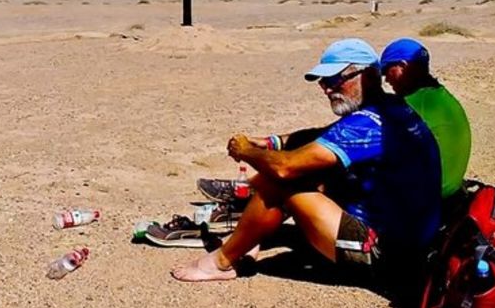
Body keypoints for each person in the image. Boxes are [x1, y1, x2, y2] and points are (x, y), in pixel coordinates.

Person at [172, 38, 442, 283]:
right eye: (323, 83)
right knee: (312, 167)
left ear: (369, 75)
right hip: (412, 245)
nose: (327, 90)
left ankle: (221, 262)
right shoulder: (391, 108)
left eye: (336, 80)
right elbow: (323, 135)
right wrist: (272, 142)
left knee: (282, 181)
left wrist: (246, 151)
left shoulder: (366, 125)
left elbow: (284, 168)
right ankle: (250, 236)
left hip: (386, 256)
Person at [379, 38, 472, 200]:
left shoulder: (410, 106)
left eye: (387, 70)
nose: (386, 79)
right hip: (450, 189)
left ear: (402, 67)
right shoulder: (441, 96)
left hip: (430, 198)